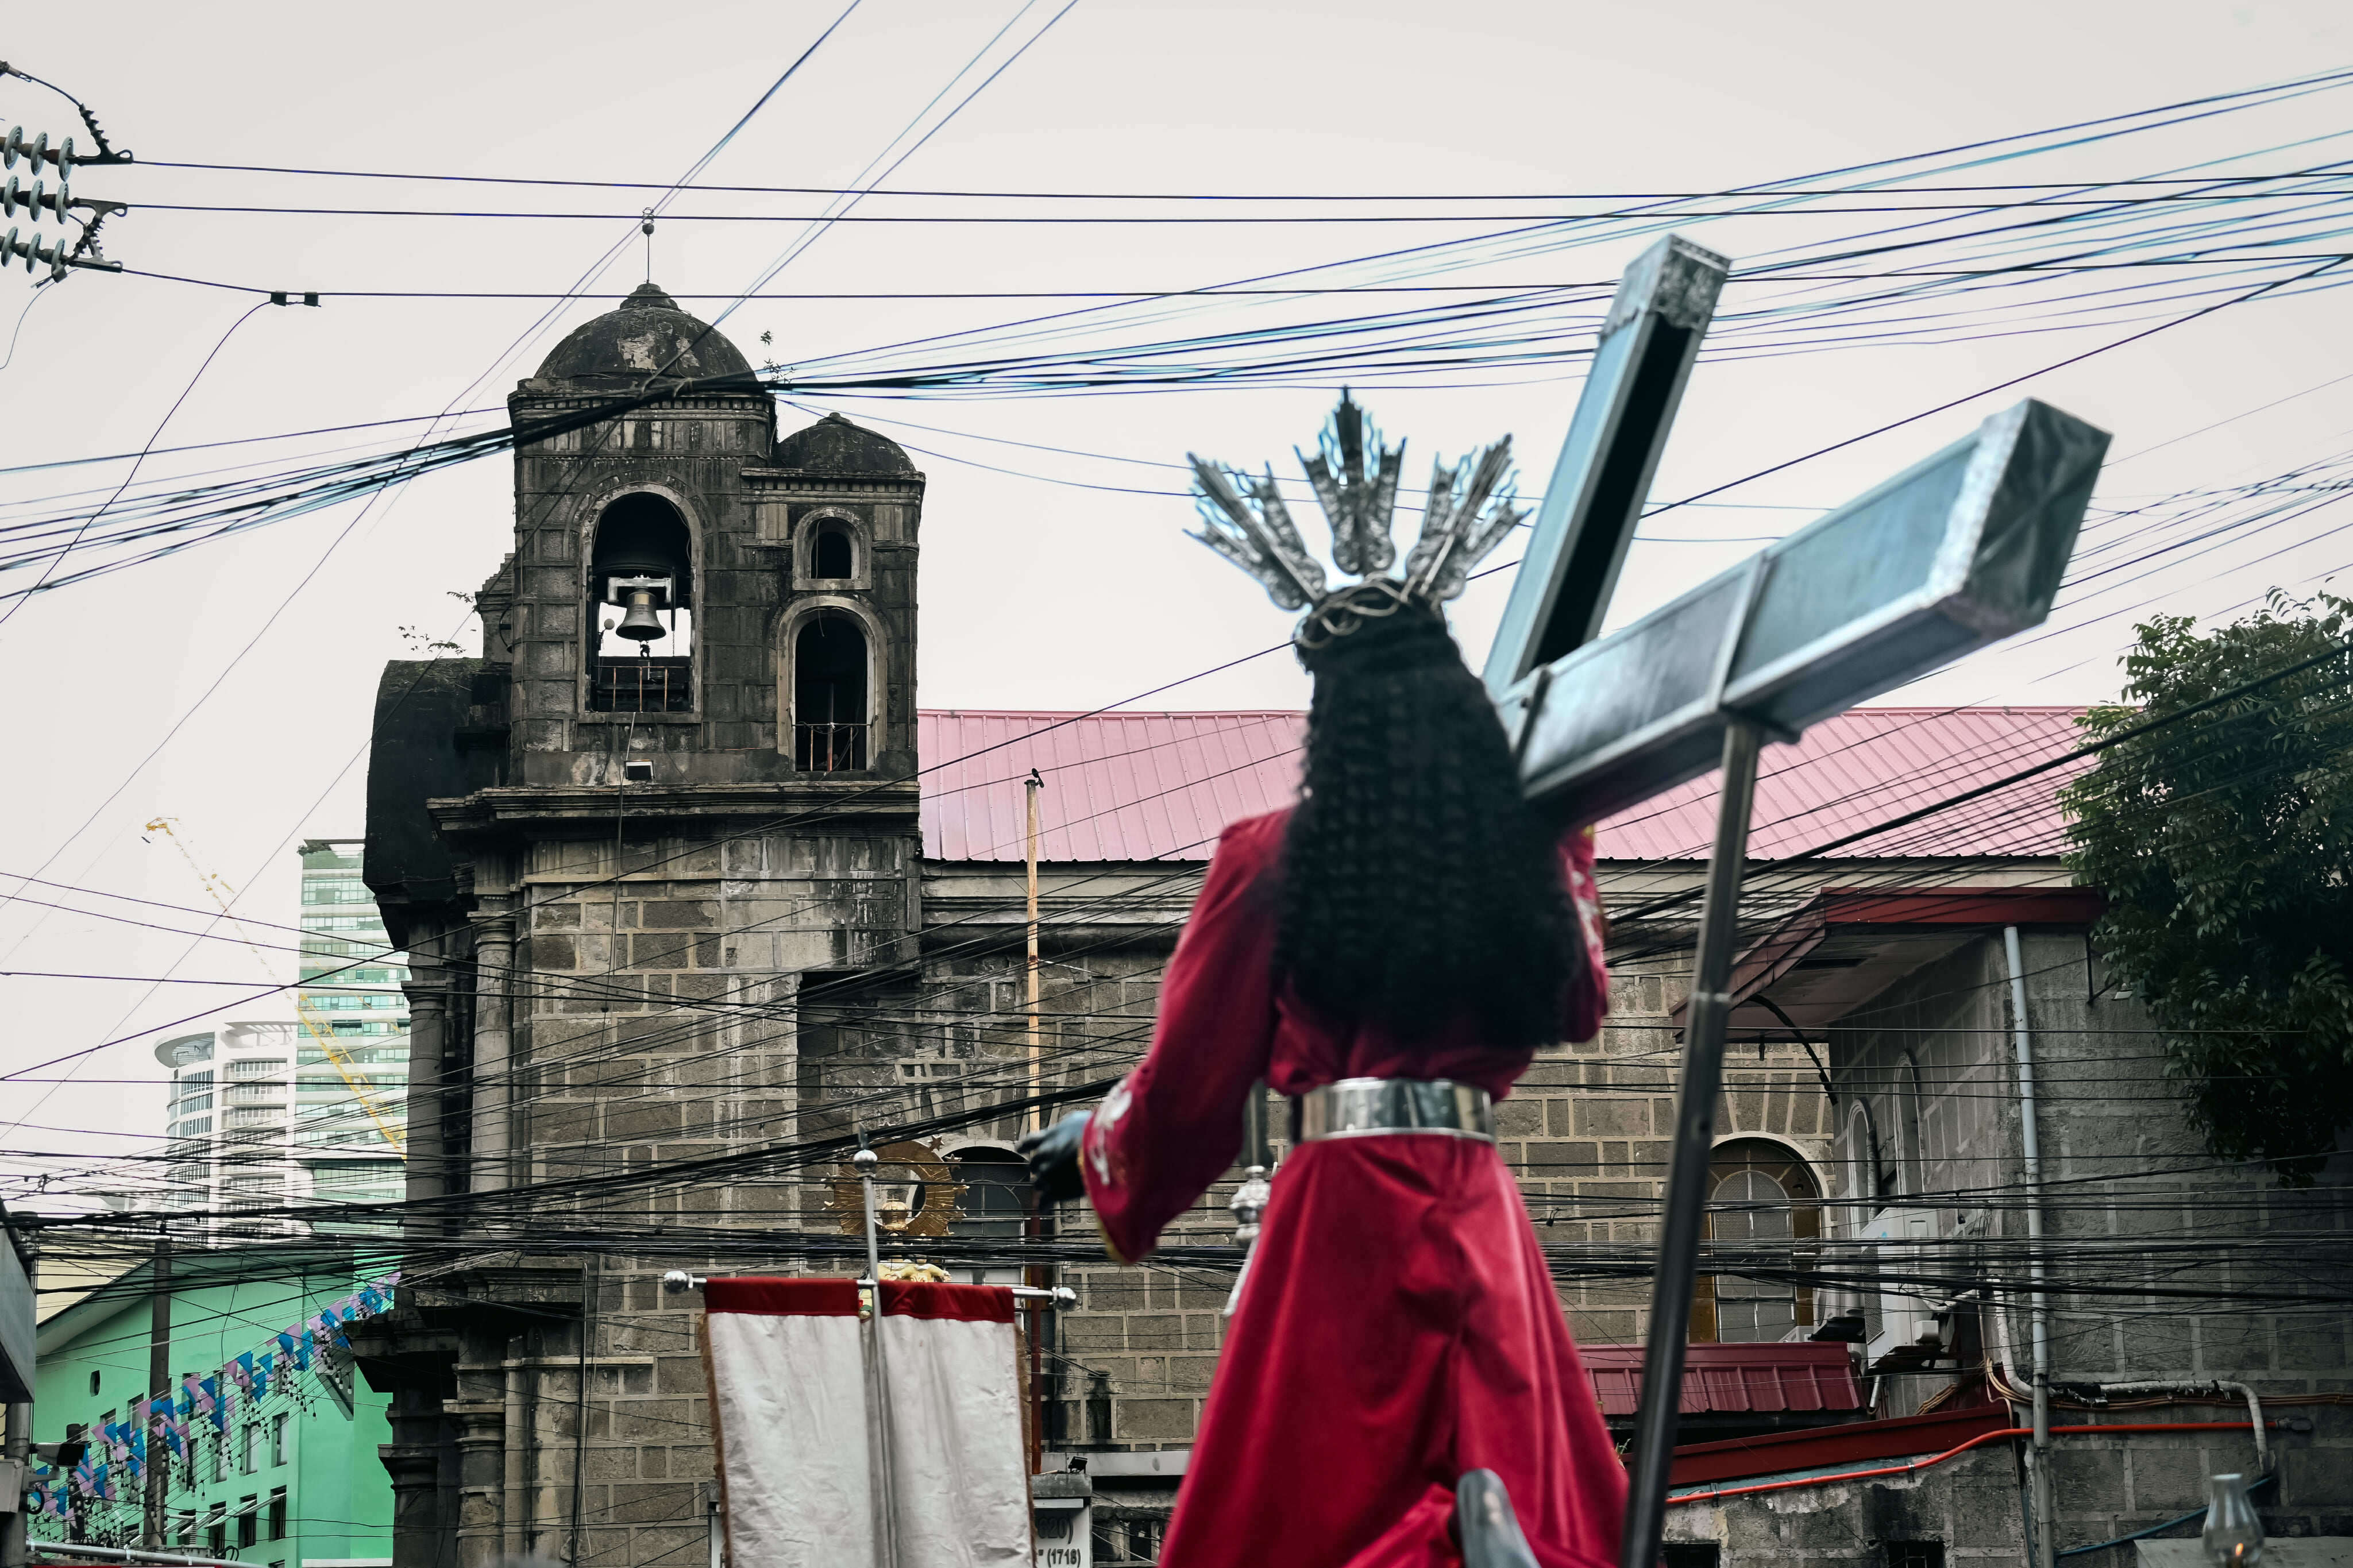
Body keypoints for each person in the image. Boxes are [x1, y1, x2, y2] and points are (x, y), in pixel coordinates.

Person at [1020, 501, 1628, 1568]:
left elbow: (1193, 1089)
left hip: (1340, 1210)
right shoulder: (1525, 856)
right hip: (1473, 1193)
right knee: (1521, 1479)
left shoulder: (1272, 861)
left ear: (1330, 719)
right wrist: (1560, 831)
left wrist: (1097, 1137)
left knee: (1316, 1511)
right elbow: (1581, 1004)